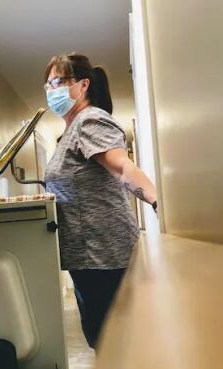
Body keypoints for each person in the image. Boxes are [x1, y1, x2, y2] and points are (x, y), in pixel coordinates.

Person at [43, 53, 158, 350]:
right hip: (87, 257)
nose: (50, 89)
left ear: (82, 85)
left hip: (105, 256)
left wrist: (157, 200)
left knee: (116, 344)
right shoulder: (70, 131)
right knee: (104, 341)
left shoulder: (90, 120)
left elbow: (121, 167)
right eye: (47, 84)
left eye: (57, 81)